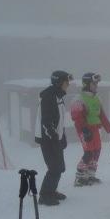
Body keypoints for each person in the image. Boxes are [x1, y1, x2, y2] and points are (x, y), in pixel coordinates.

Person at [35, 70, 72, 206]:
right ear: (59, 82)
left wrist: (62, 136)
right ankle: (44, 196)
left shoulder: (58, 96)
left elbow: (59, 119)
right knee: (54, 167)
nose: (68, 84)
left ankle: (51, 191)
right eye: (66, 82)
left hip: (55, 137)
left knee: (59, 167)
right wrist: (53, 136)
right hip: (48, 139)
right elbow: (46, 120)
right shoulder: (49, 96)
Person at [70, 72, 110, 186]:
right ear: (87, 84)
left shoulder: (96, 98)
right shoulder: (79, 99)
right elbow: (77, 117)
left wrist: (107, 126)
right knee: (88, 153)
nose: (96, 86)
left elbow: (101, 113)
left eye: (97, 83)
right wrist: (84, 129)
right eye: (94, 84)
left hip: (95, 128)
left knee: (97, 151)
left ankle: (90, 175)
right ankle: (79, 177)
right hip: (84, 130)